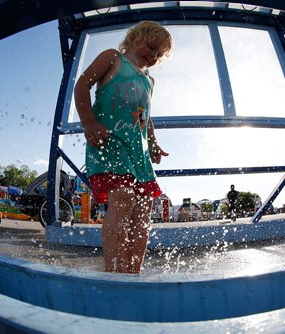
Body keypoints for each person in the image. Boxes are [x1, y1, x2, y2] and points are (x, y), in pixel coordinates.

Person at [74, 21, 172, 274]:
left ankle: (132, 272)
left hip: (137, 152)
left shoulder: (149, 80)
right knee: (123, 197)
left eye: (158, 55)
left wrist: (152, 143)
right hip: (110, 143)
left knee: (144, 208)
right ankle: (113, 271)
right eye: (151, 47)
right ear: (134, 38)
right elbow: (82, 85)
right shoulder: (113, 58)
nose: (153, 56)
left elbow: (143, 116)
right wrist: (89, 123)